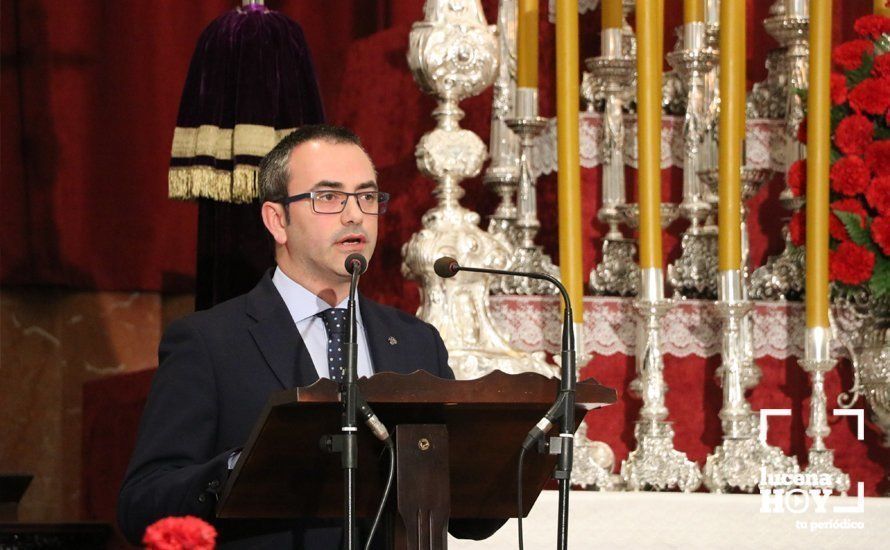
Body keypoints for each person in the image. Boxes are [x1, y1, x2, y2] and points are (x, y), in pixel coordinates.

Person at [118, 125, 498, 548]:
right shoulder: (208, 342)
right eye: (329, 197)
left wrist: (519, 455)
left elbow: (467, 519)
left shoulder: (415, 340)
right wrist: (238, 468)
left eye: (367, 197)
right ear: (277, 220)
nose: (354, 214)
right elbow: (142, 504)